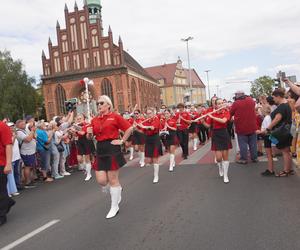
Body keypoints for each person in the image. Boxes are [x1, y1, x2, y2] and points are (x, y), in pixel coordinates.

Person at [87, 95, 133, 219]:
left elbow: (129, 128)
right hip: (100, 148)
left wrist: (122, 141)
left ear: (108, 104)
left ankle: (114, 207)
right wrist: (89, 134)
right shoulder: (95, 119)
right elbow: (90, 137)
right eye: (98, 103)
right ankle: (117, 189)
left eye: (101, 103)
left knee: (113, 180)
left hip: (112, 147)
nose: (99, 105)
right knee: (101, 181)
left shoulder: (115, 117)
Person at [202, 99, 232, 183]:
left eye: (222, 103)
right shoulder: (213, 113)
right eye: (219, 104)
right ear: (216, 105)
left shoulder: (226, 112)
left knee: (225, 156)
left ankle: (226, 175)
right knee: (218, 158)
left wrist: (212, 117)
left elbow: (224, 121)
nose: (221, 104)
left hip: (224, 133)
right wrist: (202, 121)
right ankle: (220, 166)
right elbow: (208, 126)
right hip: (215, 135)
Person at [266, 88, 293, 177]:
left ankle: (286, 171)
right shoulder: (286, 105)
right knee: (287, 151)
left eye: (274, 97)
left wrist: (268, 128)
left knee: (285, 151)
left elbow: (277, 119)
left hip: (281, 131)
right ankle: (288, 169)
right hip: (286, 130)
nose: (273, 99)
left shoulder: (282, 106)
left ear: (278, 96)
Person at [230, 91, 258, 164]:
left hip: (241, 126)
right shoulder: (251, 100)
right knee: (253, 143)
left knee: (243, 144)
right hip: (252, 126)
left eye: (236, 95)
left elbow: (231, 112)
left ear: (238, 95)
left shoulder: (236, 103)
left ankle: (244, 159)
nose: (235, 96)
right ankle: (254, 158)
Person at [139, 107, 162, 183]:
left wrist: (144, 126)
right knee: (149, 160)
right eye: (147, 113)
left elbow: (152, 128)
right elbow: (142, 131)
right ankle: (155, 166)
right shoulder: (146, 121)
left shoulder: (156, 119)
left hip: (155, 139)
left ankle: (156, 176)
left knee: (155, 158)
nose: (148, 115)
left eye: (150, 113)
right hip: (148, 139)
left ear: (153, 113)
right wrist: (136, 127)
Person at [0, 120, 15, 226]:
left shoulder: (2, 126)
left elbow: (8, 145)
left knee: (1, 190)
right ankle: (8, 201)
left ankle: (1, 216)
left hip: (1, 162)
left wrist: (8, 163)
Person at [16, 119, 37, 188]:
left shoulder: (24, 131)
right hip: (26, 152)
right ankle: (27, 182)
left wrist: (32, 131)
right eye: (22, 124)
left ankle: (30, 180)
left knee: (30, 166)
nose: (24, 125)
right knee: (27, 167)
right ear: (18, 125)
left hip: (30, 151)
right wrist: (32, 131)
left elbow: (33, 137)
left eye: (24, 124)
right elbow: (27, 140)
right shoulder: (19, 132)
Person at [74, 114, 94, 181]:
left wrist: (76, 130)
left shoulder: (87, 124)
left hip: (86, 141)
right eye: (78, 118)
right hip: (79, 142)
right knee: (79, 159)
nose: (79, 120)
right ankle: (86, 169)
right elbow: (75, 135)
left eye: (80, 118)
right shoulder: (77, 125)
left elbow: (82, 133)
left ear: (84, 118)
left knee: (87, 158)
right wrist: (72, 131)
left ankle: (89, 174)